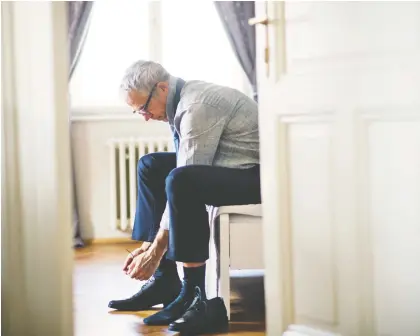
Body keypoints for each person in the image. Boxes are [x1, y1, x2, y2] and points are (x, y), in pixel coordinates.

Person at [108, 60, 261, 334]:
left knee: (182, 181)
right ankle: (165, 281)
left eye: (143, 108)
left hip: (256, 175)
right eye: (137, 111)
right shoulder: (180, 99)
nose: (144, 116)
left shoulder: (197, 107)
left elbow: (185, 173)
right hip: (228, 164)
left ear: (162, 88)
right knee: (151, 166)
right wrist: (148, 246)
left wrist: (156, 250)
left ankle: (195, 295)